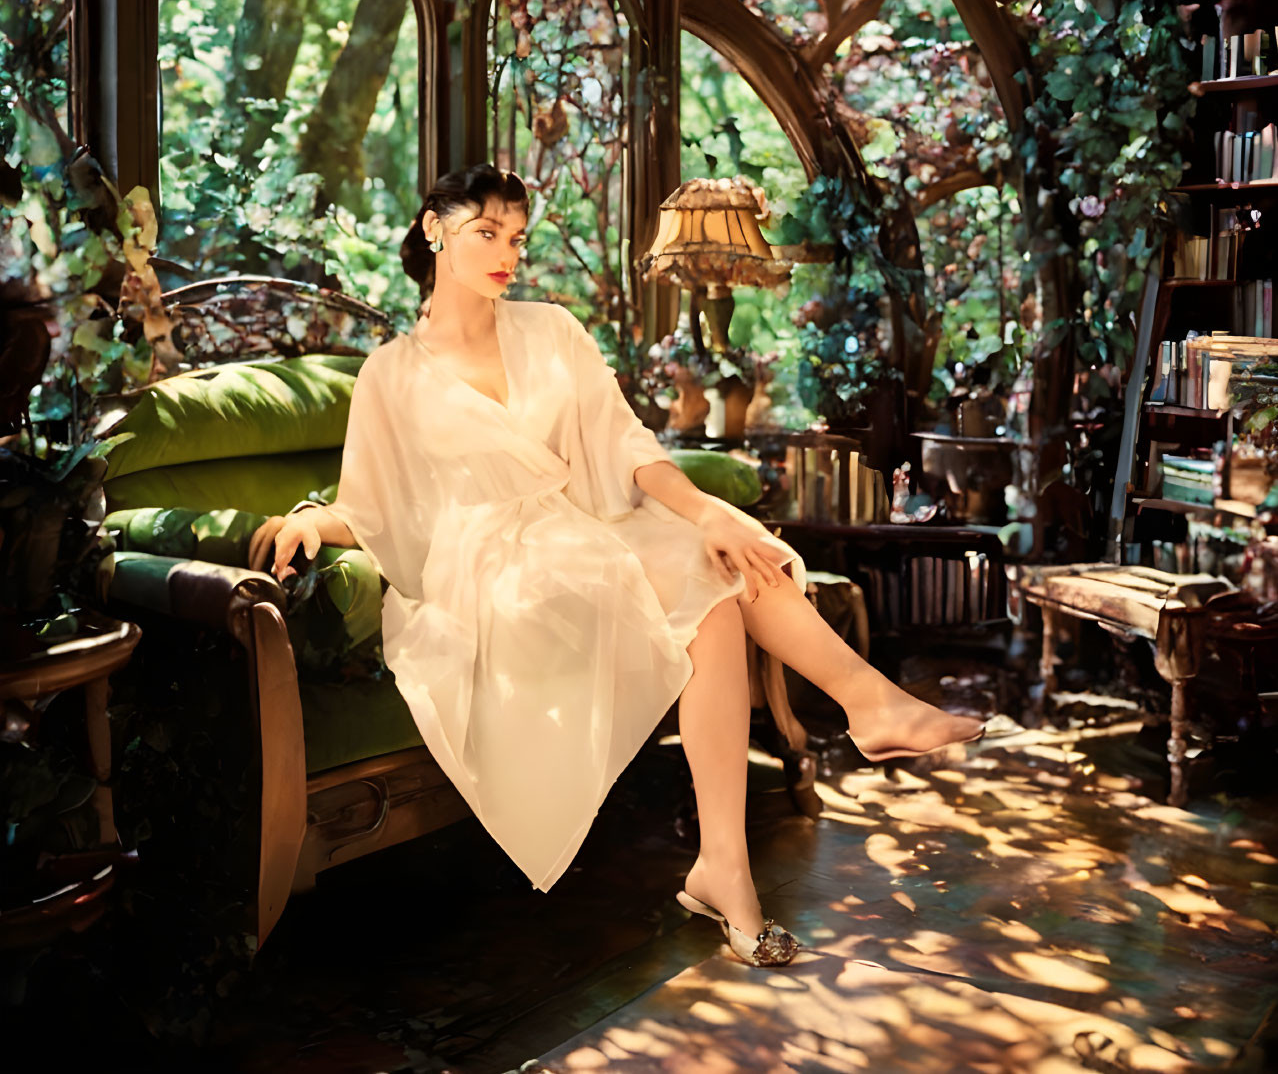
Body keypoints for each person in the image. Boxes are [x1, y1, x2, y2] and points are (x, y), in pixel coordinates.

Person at [249, 164, 984, 967]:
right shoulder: (390, 373)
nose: (506, 253)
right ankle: (856, 715)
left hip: (580, 531)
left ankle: (732, 859)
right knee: (698, 579)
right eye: (485, 232)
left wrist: (709, 510)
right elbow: (375, 505)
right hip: (494, 572)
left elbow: (628, 447)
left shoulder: (552, 331)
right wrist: (312, 518)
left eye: (517, 237)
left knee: (715, 573)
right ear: (434, 229)